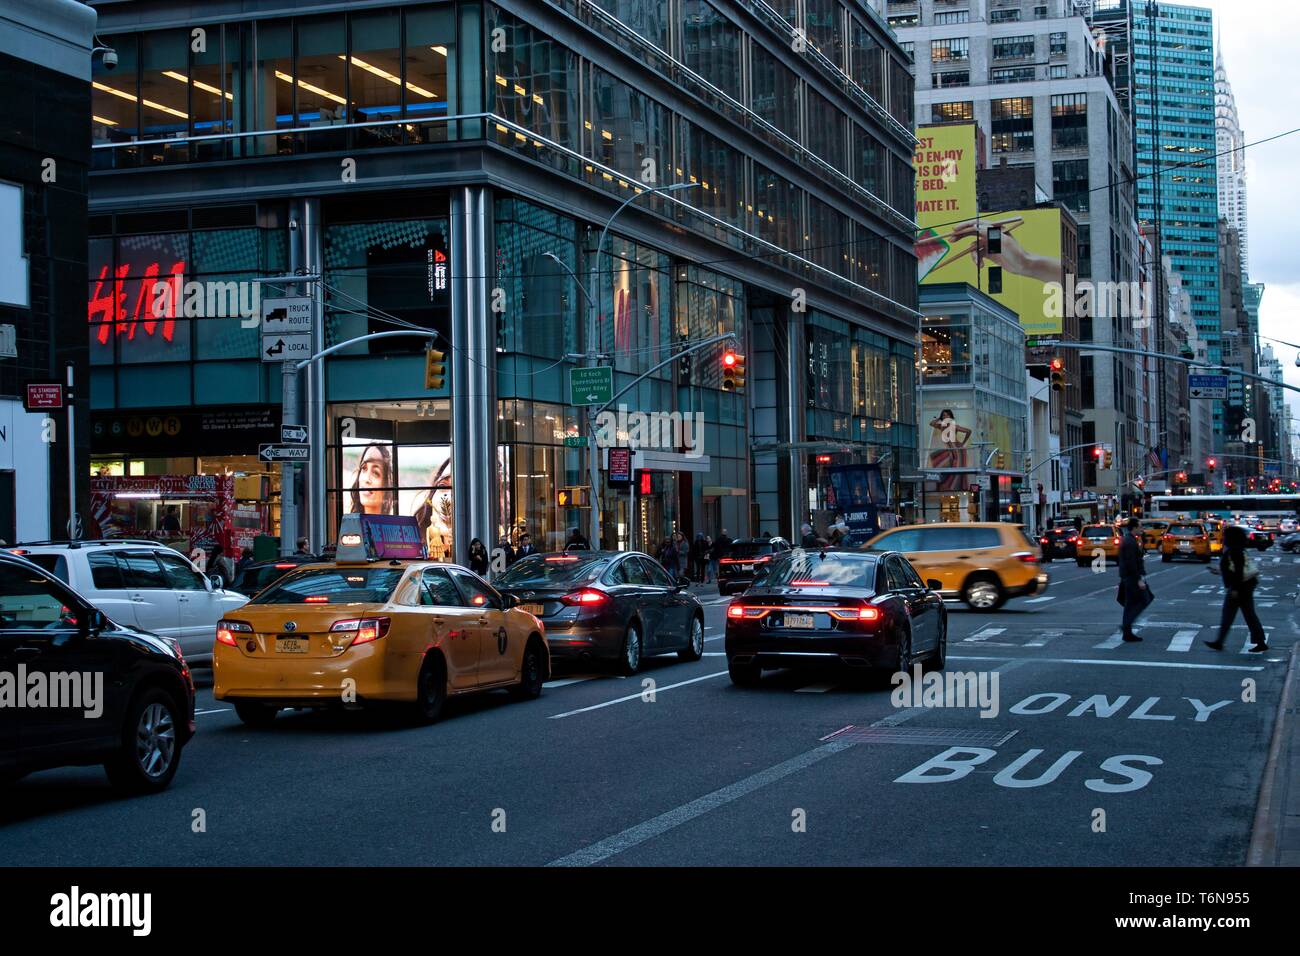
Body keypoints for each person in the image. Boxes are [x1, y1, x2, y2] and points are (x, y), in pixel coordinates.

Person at [1206, 525, 1268, 652]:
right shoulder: (1239, 549)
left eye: (1225, 535)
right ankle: (1259, 642)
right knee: (1245, 614)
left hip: (1240, 587)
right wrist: (1219, 571)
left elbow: (1238, 571)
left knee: (1234, 614)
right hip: (1245, 585)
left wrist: (1235, 589)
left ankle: (1220, 642)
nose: (1223, 537)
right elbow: (1234, 569)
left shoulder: (1233, 551)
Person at [1117, 517, 1150, 642]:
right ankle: (1126, 627)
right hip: (1131, 578)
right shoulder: (1129, 542)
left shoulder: (1130, 540)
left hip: (1129, 577)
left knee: (1132, 603)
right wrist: (1139, 579)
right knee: (1142, 600)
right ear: (1134, 527)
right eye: (1140, 526)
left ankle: (1127, 630)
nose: (1142, 529)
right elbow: (1131, 562)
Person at [350, 442, 396, 515]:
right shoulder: (349, 524)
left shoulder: (392, 525)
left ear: (387, 484)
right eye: (364, 468)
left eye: (375, 473)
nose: (366, 479)